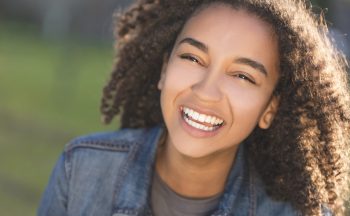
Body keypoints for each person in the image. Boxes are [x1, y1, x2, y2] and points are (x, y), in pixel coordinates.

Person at [38, 0, 350, 215]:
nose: (205, 91)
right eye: (192, 58)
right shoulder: (81, 169)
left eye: (242, 76)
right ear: (164, 70)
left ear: (269, 108)